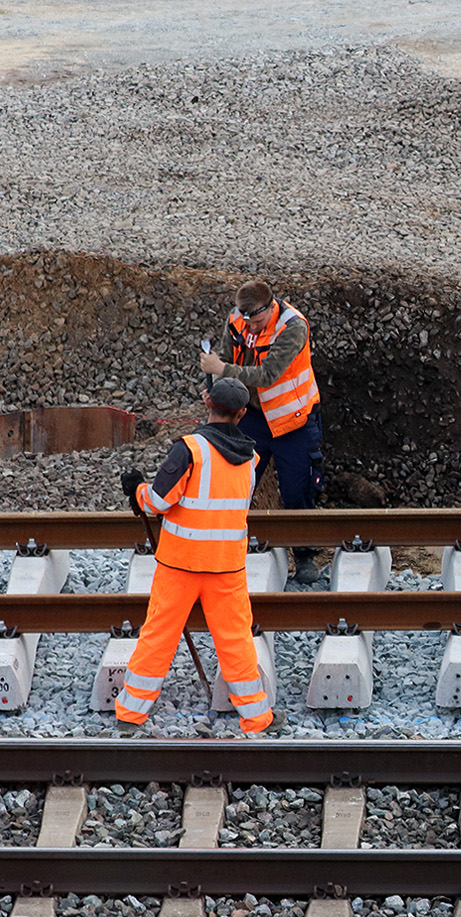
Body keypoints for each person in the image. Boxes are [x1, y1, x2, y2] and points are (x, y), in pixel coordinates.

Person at [117, 378, 286, 736]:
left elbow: (160, 501)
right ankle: (257, 718)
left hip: (180, 564)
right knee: (236, 640)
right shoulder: (250, 459)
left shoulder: (190, 449)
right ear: (241, 414)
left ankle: (131, 714)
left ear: (207, 401)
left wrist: (137, 491)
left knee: (159, 636)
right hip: (227, 567)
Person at [200, 280, 326, 584]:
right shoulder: (237, 321)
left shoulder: (293, 327)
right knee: (238, 484)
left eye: (257, 322)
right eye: (248, 322)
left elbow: (268, 374)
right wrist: (215, 388)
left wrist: (221, 371)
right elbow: (226, 354)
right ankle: (224, 552)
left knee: (297, 490)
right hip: (254, 418)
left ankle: (306, 557)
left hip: (293, 421)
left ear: (271, 307)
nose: (252, 329)